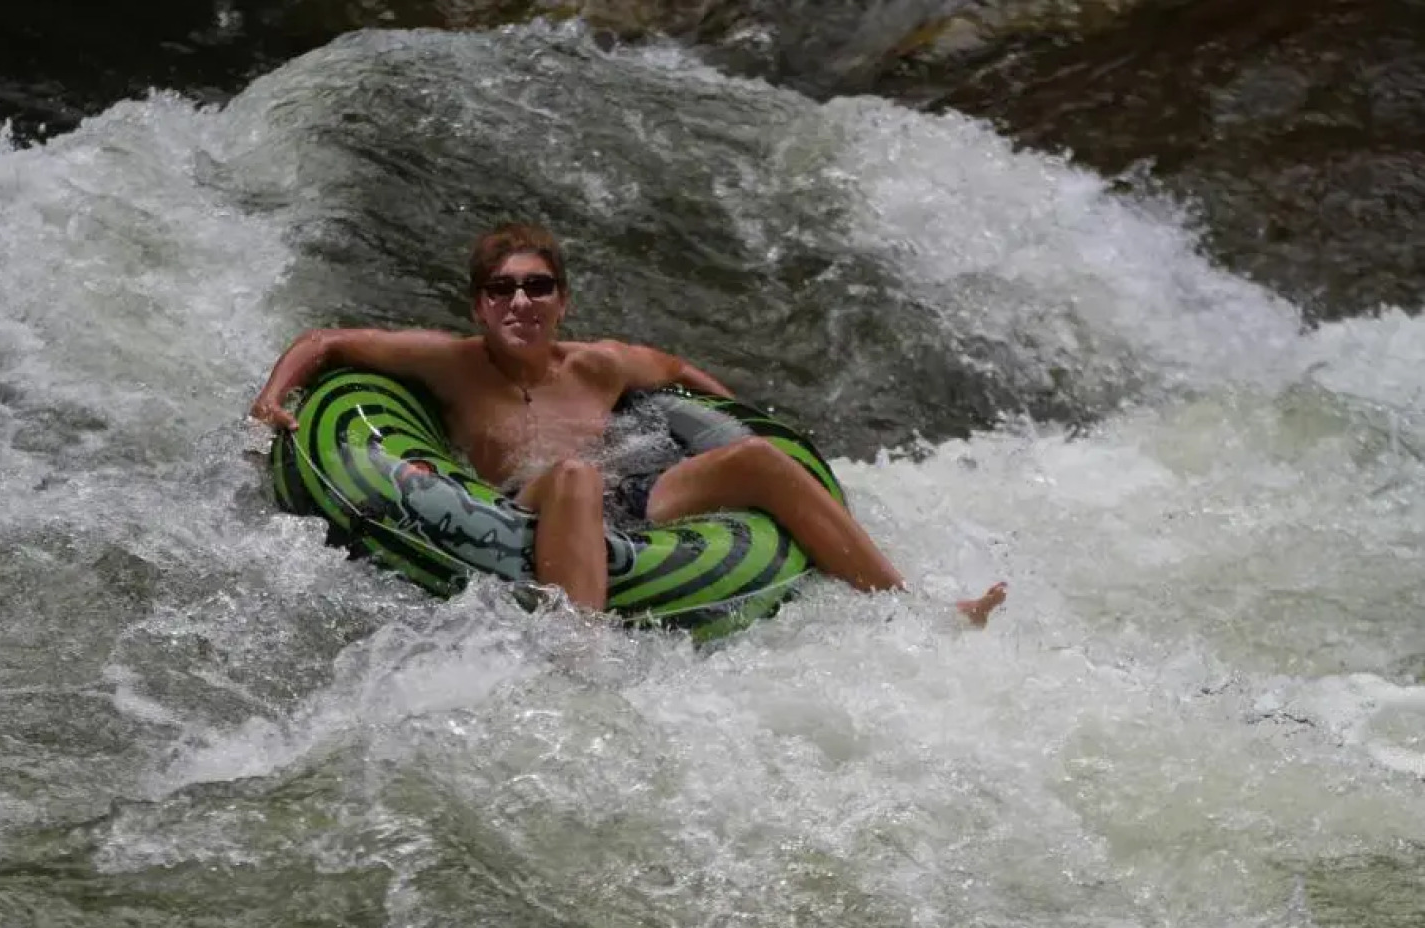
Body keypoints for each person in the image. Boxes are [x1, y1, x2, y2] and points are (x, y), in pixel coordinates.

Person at [249, 222, 1007, 626]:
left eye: (537, 287)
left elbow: (679, 374)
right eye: (501, 289)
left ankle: (915, 609)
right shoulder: (447, 362)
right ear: (478, 304)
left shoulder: (599, 365)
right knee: (575, 475)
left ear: (562, 301)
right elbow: (328, 342)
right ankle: (581, 661)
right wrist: (272, 400)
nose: (521, 302)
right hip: (522, 505)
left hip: (634, 503)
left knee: (758, 464)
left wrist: (732, 414)